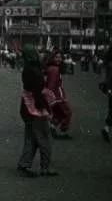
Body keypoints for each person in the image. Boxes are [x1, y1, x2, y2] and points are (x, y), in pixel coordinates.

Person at [17, 45, 58, 178]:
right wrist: (47, 109)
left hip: (26, 106)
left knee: (31, 137)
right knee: (43, 138)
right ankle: (45, 167)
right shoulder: (35, 70)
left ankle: (24, 163)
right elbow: (38, 93)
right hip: (35, 107)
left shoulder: (28, 69)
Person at [45, 50, 72, 139]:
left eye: (60, 57)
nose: (59, 59)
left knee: (60, 114)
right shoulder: (54, 69)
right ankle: (62, 130)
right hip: (57, 96)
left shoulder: (53, 68)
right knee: (67, 112)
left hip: (57, 95)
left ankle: (53, 128)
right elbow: (51, 85)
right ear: (52, 58)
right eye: (56, 57)